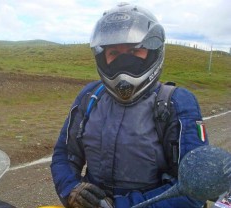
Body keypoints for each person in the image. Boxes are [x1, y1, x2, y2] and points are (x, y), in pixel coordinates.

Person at [50, 3, 209, 208]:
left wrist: (119, 206)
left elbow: (194, 188)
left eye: (135, 50)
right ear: (103, 57)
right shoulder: (89, 96)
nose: (124, 60)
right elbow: (65, 154)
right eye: (114, 53)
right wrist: (71, 189)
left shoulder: (177, 103)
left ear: (153, 51)